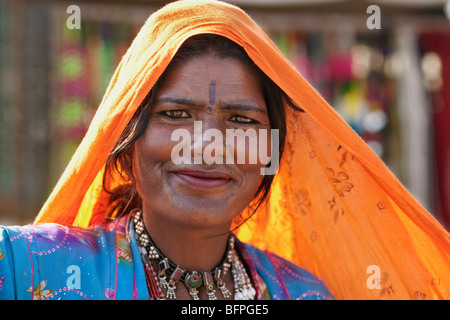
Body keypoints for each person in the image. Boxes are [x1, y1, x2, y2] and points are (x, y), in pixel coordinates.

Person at [0, 0, 449, 300]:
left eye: (241, 121)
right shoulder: (26, 267)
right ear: (126, 140)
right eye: (175, 115)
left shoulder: (304, 294)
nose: (208, 146)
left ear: (270, 154)